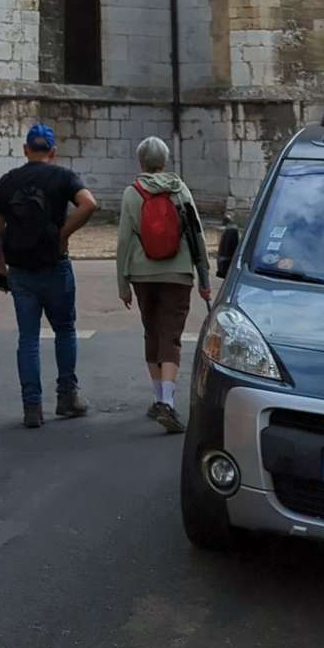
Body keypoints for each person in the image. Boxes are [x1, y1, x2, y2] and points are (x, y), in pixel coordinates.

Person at [0, 122, 96, 428]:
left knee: (28, 338)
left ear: (25, 149)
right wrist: (63, 234)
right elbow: (89, 204)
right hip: (55, 264)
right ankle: (67, 397)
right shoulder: (63, 177)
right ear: (53, 151)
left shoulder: (8, 181)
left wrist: (0, 267)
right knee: (65, 330)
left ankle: (32, 406)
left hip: (21, 270)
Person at [114, 136, 210, 432]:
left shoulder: (132, 193)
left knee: (152, 332)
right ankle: (167, 402)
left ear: (140, 161)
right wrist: (204, 278)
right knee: (171, 336)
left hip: (142, 274)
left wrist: (123, 284)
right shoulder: (180, 189)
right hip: (178, 273)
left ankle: (158, 398)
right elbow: (196, 234)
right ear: (165, 161)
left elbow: (123, 241)